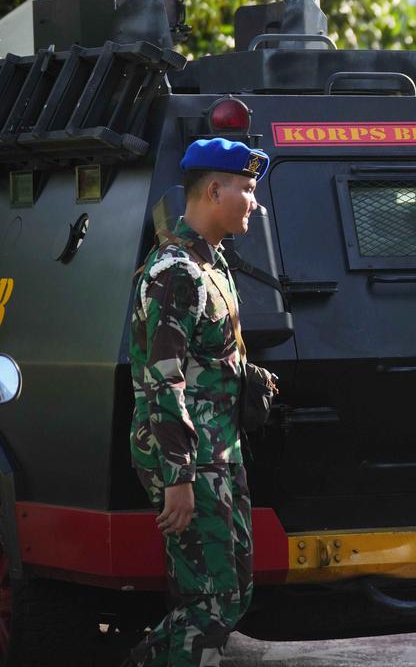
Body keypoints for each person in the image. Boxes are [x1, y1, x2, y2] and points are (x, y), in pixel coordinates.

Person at [127, 138, 268, 666]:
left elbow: (205, 358)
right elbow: (164, 380)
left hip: (219, 451)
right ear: (214, 189)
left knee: (233, 596)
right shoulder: (176, 273)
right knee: (209, 604)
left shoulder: (214, 264)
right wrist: (179, 477)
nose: (255, 202)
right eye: (247, 190)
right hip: (188, 458)